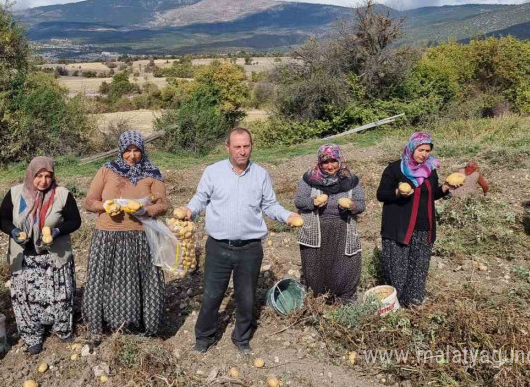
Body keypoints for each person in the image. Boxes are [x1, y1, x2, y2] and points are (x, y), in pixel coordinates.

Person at [176, 127, 302, 355]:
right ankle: (204, 338)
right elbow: (200, 199)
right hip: (218, 246)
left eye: (246, 146)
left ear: (251, 146)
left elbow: (270, 205)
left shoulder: (261, 174)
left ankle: (242, 339)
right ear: (228, 148)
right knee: (212, 296)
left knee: (246, 297)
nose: (242, 151)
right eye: (237, 147)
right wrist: (188, 210)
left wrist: (288, 216)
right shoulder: (213, 172)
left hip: (250, 248)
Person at [82, 130, 169, 344]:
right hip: (107, 235)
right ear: (121, 150)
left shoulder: (152, 173)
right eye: (128, 151)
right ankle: (98, 326)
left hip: (141, 235)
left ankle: (139, 326)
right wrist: (105, 206)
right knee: (103, 281)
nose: (132, 156)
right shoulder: (106, 171)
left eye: (136, 150)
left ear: (142, 150)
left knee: (141, 281)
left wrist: (145, 210)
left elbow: (163, 205)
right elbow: (89, 201)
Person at [0, 156, 81, 354]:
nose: (43, 181)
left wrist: (57, 231)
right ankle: (32, 335)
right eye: (39, 176)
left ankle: (62, 330)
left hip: (54, 255)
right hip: (25, 257)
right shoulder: (16, 194)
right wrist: (14, 232)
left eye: (48, 176)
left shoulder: (62, 194)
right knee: (25, 298)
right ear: (30, 174)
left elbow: (75, 221)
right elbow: (2, 219)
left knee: (61, 295)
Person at [376, 132, 457, 308]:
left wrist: (444, 188)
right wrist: (397, 192)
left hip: (424, 227)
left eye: (428, 150)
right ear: (412, 148)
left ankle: (413, 303)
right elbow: (381, 194)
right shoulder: (395, 169)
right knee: (397, 269)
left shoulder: (430, 170)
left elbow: (431, 194)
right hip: (399, 228)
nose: (424, 154)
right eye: (421, 150)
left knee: (418, 268)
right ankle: (394, 305)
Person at [294, 143, 365, 302]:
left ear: (340, 160)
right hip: (316, 229)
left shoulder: (350, 180)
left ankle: (343, 299)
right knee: (315, 267)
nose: (330, 166)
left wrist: (351, 205)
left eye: (333, 161)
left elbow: (361, 204)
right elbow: (299, 201)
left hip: (343, 229)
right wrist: (313, 202)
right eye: (325, 162)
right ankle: (319, 300)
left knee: (346, 265)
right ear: (319, 163)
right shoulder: (310, 179)